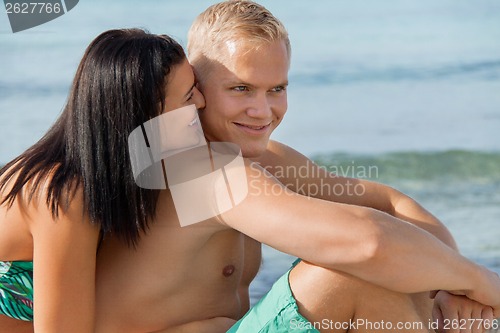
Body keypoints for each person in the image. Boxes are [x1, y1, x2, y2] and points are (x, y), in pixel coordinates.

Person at [93, 2, 500, 333]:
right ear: (197, 87)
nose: (262, 110)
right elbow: (369, 242)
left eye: (277, 89)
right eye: (241, 89)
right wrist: (482, 283)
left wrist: (454, 287)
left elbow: (388, 204)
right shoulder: (195, 169)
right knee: (351, 273)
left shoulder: (265, 158)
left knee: (407, 272)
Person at [0, 28, 205, 332]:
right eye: (189, 95)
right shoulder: (65, 193)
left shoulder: (95, 177)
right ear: (146, 114)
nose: (201, 102)